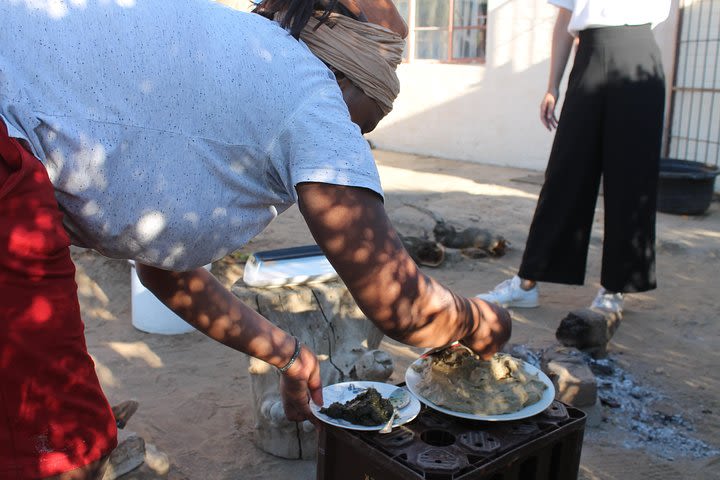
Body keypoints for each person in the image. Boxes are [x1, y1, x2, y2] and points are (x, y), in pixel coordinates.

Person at [0, 0, 511, 478]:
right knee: (56, 443)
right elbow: (404, 309)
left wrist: (290, 355)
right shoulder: (312, 92)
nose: (350, 143)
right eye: (360, 126)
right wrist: (484, 319)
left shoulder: (229, 59)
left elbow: (162, 263)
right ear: (342, 81)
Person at [477, 0, 670, 315]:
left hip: (638, 58)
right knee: (565, 173)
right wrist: (552, 84)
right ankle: (527, 282)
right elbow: (564, 21)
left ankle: (614, 287)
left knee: (630, 178)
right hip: (589, 56)